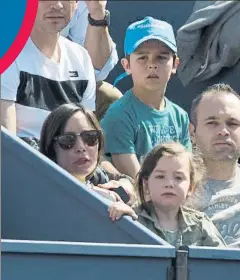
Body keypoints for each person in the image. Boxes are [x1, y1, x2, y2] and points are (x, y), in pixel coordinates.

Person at [0, 1, 114, 149]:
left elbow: (86, 139)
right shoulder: (8, 54)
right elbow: (7, 148)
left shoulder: (81, 57)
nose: (58, 5)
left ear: (76, 4)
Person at [101, 17, 192, 179]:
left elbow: (187, 171)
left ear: (175, 65)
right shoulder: (118, 115)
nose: (152, 64)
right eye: (142, 57)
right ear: (126, 65)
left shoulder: (180, 117)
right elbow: (137, 180)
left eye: (161, 57)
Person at [188, 83, 240, 249]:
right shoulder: (172, 183)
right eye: (212, 123)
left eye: (232, 123)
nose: (223, 131)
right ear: (192, 133)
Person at [108, 142, 226, 248]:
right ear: (146, 184)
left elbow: (224, 264)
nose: (169, 184)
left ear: (191, 187)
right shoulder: (133, 219)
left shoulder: (200, 225)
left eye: (178, 177)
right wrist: (119, 216)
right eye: (160, 176)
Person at [40, 104, 134, 204]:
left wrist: (125, 186)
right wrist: (90, 193)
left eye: (90, 137)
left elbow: (126, 180)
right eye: (68, 140)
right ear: (51, 148)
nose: (81, 147)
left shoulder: (98, 176)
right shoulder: (36, 184)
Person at [60, 0, 118, 81]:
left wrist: (97, 14)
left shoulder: (80, 4)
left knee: (107, 93)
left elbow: (95, 72)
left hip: (58, 77)